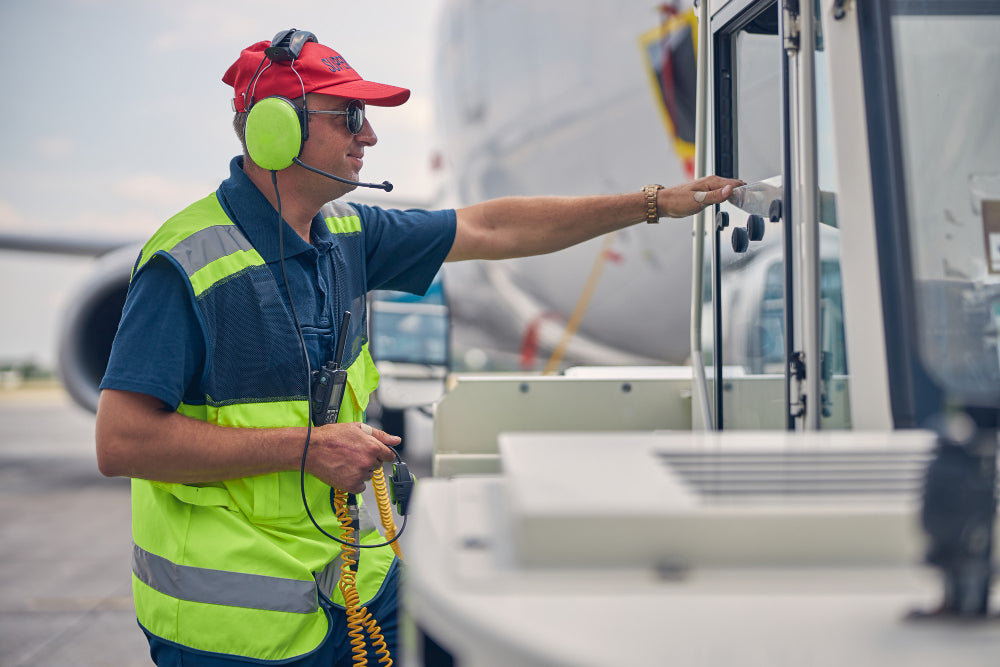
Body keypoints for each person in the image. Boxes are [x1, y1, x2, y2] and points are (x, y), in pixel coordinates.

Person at [95, 29, 741, 666]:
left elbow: (491, 226)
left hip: (348, 579)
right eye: (350, 116)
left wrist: (653, 202)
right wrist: (306, 451)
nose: (368, 136)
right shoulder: (186, 263)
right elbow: (121, 440)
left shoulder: (347, 231)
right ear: (276, 130)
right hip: (237, 623)